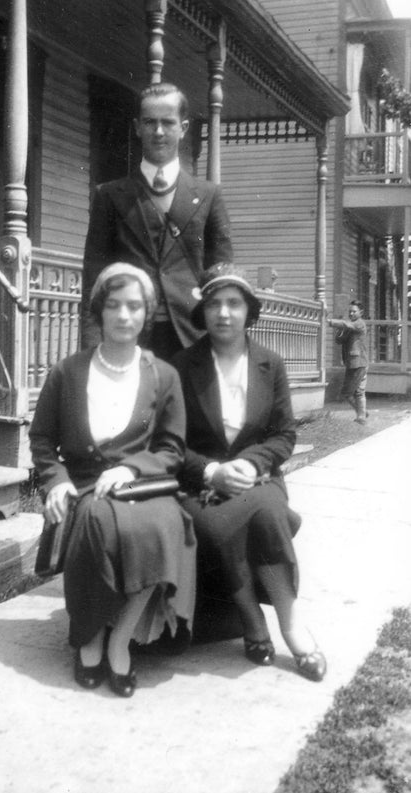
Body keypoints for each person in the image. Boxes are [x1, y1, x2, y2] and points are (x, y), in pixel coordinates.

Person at [29, 263, 196, 697]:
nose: (124, 315)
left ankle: (120, 638)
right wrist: (56, 481)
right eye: (115, 305)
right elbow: (43, 440)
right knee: (96, 521)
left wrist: (131, 467)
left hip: (141, 484)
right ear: (99, 310)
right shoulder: (68, 372)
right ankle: (89, 637)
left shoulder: (163, 375)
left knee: (163, 526)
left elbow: (172, 448)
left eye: (135, 307)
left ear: (146, 314)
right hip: (85, 483)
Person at [172, 263, 327, 682]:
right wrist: (212, 471)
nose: (224, 313)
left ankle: (290, 626)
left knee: (267, 511)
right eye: (215, 304)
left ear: (249, 311)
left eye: (234, 303)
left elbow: (284, 435)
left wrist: (250, 463)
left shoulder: (269, 364)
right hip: (203, 487)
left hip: (259, 479)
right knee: (224, 525)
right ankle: (252, 619)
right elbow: (168, 445)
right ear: (202, 313)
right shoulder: (182, 367)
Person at [81, 82, 233, 360]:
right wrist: (92, 351)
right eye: (150, 122)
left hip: (192, 340)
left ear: (183, 128)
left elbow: (221, 279)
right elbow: (94, 280)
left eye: (168, 122)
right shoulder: (110, 196)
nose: (159, 132)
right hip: (129, 339)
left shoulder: (209, 196)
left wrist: (225, 347)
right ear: (138, 127)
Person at [328, 301, 368, 424]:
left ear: (361, 313)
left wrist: (330, 322)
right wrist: (340, 327)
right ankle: (362, 413)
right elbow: (339, 340)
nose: (351, 313)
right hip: (354, 363)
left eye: (354, 311)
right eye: (350, 311)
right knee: (357, 392)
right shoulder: (350, 325)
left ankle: (361, 416)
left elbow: (346, 325)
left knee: (349, 393)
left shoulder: (360, 324)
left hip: (357, 363)